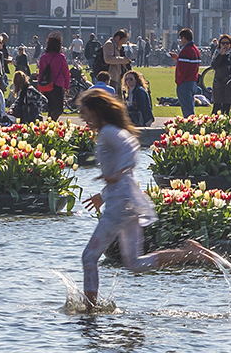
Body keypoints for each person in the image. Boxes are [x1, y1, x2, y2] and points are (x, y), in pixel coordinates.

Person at [78, 89, 222, 306]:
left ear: (96, 111)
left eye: (85, 112)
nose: (82, 117)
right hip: (127, 202)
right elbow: (122, 174)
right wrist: (104, 194)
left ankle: (90, 311)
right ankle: (191, 253)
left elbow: (131, 148)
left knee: (89, 257)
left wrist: (118, 172)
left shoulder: (108, 132)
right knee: (135, 263)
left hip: (119, 207)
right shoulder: (109, 131)